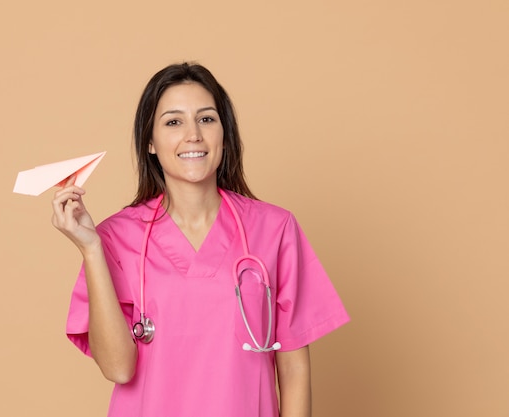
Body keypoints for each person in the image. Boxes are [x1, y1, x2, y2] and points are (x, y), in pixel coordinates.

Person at [51, 62, 349, 417]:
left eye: (206, 119)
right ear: (150, 141)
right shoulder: (116, 237)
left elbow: (294, 368)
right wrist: (91, 248)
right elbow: (118, 368)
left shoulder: (275, 229)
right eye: (173, 122)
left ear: (225, 133)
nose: (193, 134)